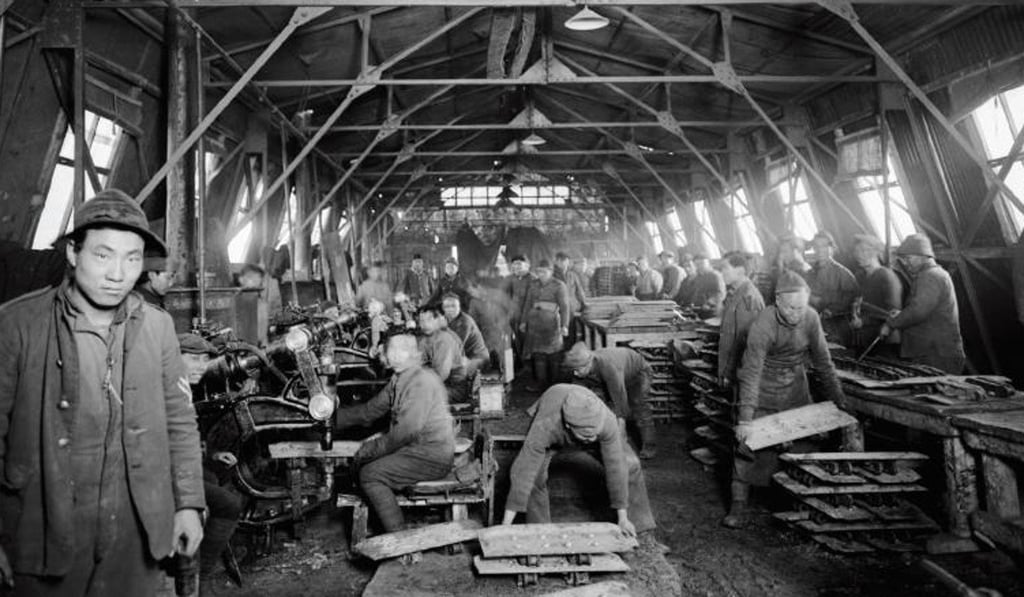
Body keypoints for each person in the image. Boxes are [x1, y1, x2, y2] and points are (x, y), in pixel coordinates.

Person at [0, 189, 205, 595]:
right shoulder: (17, 324)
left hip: (134, 531)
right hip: (42, 532)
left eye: (132, 259)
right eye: (103, 255)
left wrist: (187, 504)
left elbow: (180, 422)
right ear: (74, 253)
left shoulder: (158, 327)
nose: (118, 274)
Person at [725, 271, 845, 528]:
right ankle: (738, 506)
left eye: (801, 307)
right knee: (748, 447)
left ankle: (796, 500)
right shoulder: (762, 324)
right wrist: (745, 419)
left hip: (795, 388)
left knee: (803, 445)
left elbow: (824, 363)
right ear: (777, 301)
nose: (796, 313)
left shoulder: (811, 318)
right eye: (790, 307)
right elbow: (751, 371)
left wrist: (840, 401)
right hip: (762, 387)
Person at [501, 385, 659, 547]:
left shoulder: (607, 421)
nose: (591, 439)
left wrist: (622, 517)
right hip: (553, 408)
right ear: (569, 427)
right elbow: (523, 472)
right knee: (534, 476)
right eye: (585, 435)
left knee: (630, 464)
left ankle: (640, 531)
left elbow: (616, 467)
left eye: (594, 434)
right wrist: (506, 526)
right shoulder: (546, 425)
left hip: (592, 426)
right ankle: (540, 532)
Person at [334, 334, 455, 533]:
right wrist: (329, 419)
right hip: (417, 450)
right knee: (363, 467)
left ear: (415, 354)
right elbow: (369, 412)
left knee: (370, 475)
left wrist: (369, 449)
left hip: (432, 456)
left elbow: (405, 433)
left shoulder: (420, 381)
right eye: (392, 349)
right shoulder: (399, 378)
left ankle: (399, 541)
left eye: (403, 349)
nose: (397, 355)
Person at [177, 334, 243, 583]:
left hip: (180, 466)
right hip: (166, 476)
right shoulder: (168, 390)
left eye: (204, 360)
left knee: (216, 473)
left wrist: (212, 455)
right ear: (173, 356)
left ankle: (206, 553)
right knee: (229, 504)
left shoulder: (182, 386)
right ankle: (197, 576)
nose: (200, 367)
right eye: (192, 359)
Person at [884, 234, 966, 373]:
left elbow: (918, 311)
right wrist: (901, 315)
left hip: (935, 353)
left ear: (923, 256)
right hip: (935, 351)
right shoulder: (934, 274)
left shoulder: (930, 276)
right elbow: (923, 309)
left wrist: (891, 323)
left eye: (908, 258)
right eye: (903, 259)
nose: (905, 263)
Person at [563, 342, 657, 459]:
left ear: (589, 363)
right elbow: (577, 395)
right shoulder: (581, 366)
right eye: (573, 370)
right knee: (597, 406)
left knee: (638, 405)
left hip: (638, 373)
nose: (575, 373)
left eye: (578, 370)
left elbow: (620, 401)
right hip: (618, 372)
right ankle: (598, 443)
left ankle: (649, 445)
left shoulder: (608, 367)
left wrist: (621, 439)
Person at [716, 251, 765, 389]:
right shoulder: (736, 294)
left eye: (725, 268)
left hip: (741, 370)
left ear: (740, 271)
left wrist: (729, 372)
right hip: (734, 368)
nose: (722, 273)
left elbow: (743, 341)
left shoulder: (747, 297)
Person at [519, 260, 570, 391]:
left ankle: (555, 385)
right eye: (538, 271)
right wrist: (524, 322)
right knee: (538, 354)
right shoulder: (533, 285)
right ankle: (541, 384)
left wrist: (565, 325)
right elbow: (527, 304)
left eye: (544, 271)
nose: (540, 274)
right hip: (535, 324)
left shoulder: (559, 285)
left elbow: (564, 307)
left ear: (551, 271)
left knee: (553, 354)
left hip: (552, 324)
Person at [850, 234, 902, 358]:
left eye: (865, 251)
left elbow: (893, 313)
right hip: (864, 340)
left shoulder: (886, 276)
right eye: (857, 251)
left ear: (876, 252)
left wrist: (864, 321)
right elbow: (858, 303)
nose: (860, 255)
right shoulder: (860, 276)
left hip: (884, 340)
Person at [807, 231, 860, 346]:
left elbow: (852, 299)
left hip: (837, 328)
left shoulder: (843, 273)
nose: (820, 250)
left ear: (832, 248)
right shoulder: (810, 274)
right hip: (814, 325)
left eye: (824, 246)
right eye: (816, 246)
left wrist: (829, 308)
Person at [418, 304, 470, 403]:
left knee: (415, 397)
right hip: (438, 384)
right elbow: (418, 363)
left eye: (429, 320)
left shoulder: (444, 339)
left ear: (437, 320)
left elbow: (441, 374)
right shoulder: (425, 340)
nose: (424, 324)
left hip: (453, 388)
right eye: (421, 321)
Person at [442, 292, 490, 375]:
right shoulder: (445, 319)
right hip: (465, 357)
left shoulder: (464, 322)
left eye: (453, 306)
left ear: (459, 307)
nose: (450, 309)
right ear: (443, 308)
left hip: (478, 360)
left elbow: (455, 348)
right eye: (447, 306)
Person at [506, 255, 535, 363]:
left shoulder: (532, 279)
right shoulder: (512, 279)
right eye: (514, 264)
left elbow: (531, 302)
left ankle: (529, 367)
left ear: (527, 265)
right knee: (517, 341)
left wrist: (525, 321)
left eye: (519, 264)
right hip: (514, 316)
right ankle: (520, 363)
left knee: (528, 343)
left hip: (529, 318)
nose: (516, 266)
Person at [678, 252, 726, 317]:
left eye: (702, 264)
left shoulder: (715, 276)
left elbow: (719, 293)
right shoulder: (698, 276)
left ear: (708, 263)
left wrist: (709, 304)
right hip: (699, 311)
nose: (699, 266)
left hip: (711, 312)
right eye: (697, 264)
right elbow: (693, 292)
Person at [555, 252, 587, 345]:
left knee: (571, 332)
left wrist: (584, 304)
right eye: (562, 261)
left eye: (566, 261)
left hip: (571, 309)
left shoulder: (572, 275)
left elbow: (579, 291)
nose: (565, 263)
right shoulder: (552, 276)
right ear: (557, 261)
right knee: (558, 334)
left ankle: (569, 353)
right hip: (557, 310)